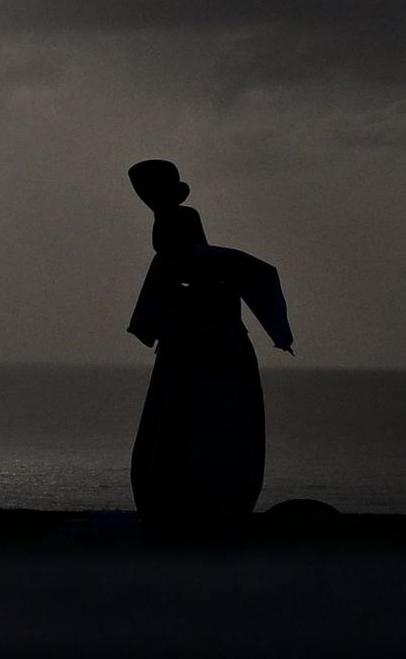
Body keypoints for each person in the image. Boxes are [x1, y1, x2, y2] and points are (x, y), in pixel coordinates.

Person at [123, 158, 291, 537]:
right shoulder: (181, 274)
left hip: (205, 350)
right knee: (177, 427)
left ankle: (204, 504)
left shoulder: (205, 276)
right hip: (190, 349)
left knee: (203, 427)